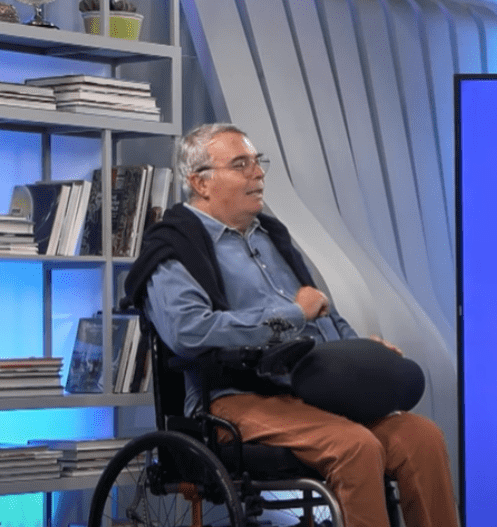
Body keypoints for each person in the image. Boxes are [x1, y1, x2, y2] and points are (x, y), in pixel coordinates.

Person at [125, 123, 458, 527]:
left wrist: (363, 354)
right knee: (355, 446)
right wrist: (292, 315)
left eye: (258, 162)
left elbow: (322, 311)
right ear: (201, 182)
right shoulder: (172, 249)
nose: (258, 174)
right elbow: (189, 332)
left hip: (311, 389)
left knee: (421, 438)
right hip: (234, 397)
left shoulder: (270, 237)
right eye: (241, 164)